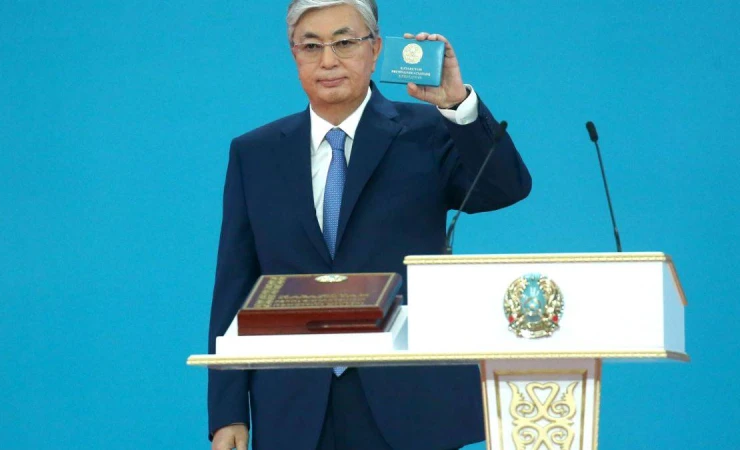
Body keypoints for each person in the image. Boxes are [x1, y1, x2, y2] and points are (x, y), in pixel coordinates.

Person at [207, 1, 532, 449]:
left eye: (344, 42)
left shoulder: (429, 130)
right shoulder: (255, 153)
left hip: (410, 399)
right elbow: (236, 283)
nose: (328, 60)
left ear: (376, 49)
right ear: (293, 54)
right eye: (311, 46)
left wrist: (457, 105)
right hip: (295, 403)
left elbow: (504, 189)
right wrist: (227, 411)